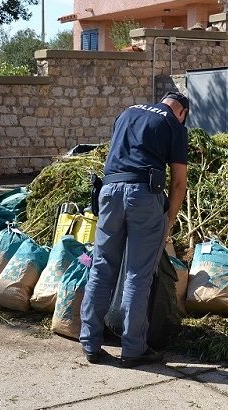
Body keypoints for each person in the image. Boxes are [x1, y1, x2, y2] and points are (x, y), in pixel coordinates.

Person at [80, 91, 189, 368]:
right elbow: (178, 183)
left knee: (101, 267)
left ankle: (91, 343)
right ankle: (133, 349)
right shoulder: (173, 124)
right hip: (143, 195)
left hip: (109, 191)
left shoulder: (126, 112)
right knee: (138, 276)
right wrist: (169, 220)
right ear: (182, 112)